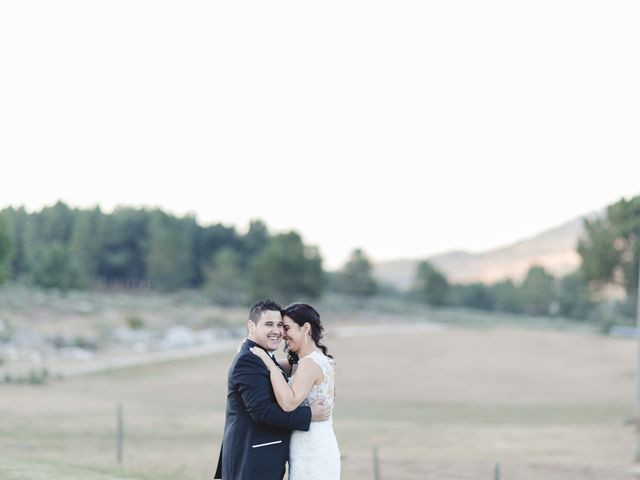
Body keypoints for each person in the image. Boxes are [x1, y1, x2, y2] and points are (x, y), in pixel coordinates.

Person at [214, 299, 332, 480]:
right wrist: (309, 415)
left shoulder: (262, 357)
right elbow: (262, 411)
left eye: (281, 325)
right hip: (251, 460)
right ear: (251, 326)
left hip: (267, 458)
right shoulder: (249, 360)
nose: (278, 332)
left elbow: (283, 368)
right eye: (269, 324)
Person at [250, 302, 340, 480]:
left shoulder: (309, 363)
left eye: (287, 328)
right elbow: (280, 365)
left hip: (312, 450)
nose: (283, 335)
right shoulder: (308, 361)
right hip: (315, 444)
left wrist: (268, 363)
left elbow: (288, 402)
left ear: (306, 328)